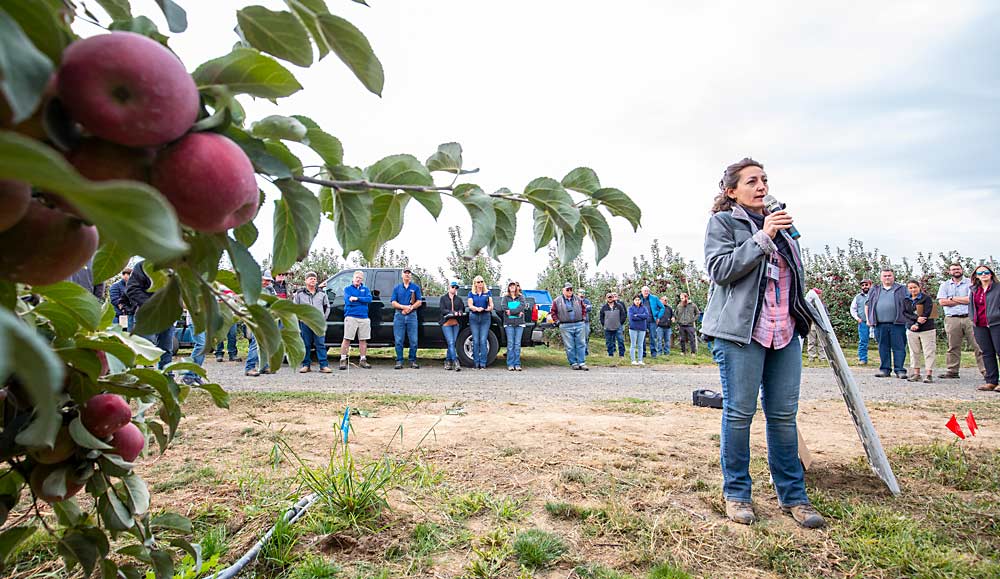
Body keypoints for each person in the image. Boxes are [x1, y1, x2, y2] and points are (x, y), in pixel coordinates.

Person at [702, 157, 825, 529]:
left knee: (784, 416)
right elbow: (720, 270)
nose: (761, 187)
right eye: (752, 181)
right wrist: (763, 236)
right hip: (742, 334)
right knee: (740, 414)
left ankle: (794, 497)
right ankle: (737, 493)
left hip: (784, 333)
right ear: (731, 190)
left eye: (765, 180)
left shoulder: (784, 227)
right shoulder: (723, 223)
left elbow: (790, 278)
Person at [937, 263, 987, 380]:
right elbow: (942, 302)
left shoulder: (971, 283)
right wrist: (962, 300)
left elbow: (971, 299)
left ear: (962, 270)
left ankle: (986, 372)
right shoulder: (944, 285)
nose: (956, 271)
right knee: (953, 346)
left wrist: (952, 298)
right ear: (949, 272)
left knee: (978, 345)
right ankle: (952, 371)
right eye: (953, 269)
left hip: (970, 317)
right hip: (952, 319)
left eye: (958, 269)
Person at [125, 260, 173, 370]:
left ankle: (166, 377)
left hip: (168, 315)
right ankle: (142, 377)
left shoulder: (174, 266)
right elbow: (132, 289)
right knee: (144, 348)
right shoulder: (143, 266)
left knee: (166, 349)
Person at [866, 268, 908, 379]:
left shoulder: (902, 289)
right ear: (881, 278)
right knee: (883, 347)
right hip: (880, 324)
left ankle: (900, 370)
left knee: (899, 347)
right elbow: (868, 305)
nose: (887, 278)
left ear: (893, 276)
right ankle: (885, 369)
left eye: (889, 275)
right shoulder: (875, 289)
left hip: (898, 323)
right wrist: (869, 319)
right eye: (885, 276)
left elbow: (909, 304)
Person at [294, 271, 331, 373]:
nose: (313, 280)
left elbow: (327, 307)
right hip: (305, 323)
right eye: (310, 278)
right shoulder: (299, 294)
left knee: (321, 344)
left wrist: (323, 318)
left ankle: (323, 366)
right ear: (305, 281)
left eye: (314, 279)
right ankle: (306, 365)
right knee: (306, 344)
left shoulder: (322, 294)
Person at [970, 265, 1000, 392]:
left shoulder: (998, 288)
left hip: (996, 323)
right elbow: (972, 306)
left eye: (986, 272)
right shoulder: (974, 289)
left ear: (991, 274)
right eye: (980, 273)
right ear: (976, 276)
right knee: (987, 353)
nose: (984, 274)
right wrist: (972, 318)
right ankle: (991, 381)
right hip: (980, 324)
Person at [903, 280, 936, 384]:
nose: (913, 290)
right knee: (914, 351)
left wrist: (918, 323)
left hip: (927, 329)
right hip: (911, 329)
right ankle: (916, 373)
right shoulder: (905, 300)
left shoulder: (926, 299)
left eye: (915, 287)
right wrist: (914, 321)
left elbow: (927, 312)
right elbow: (904, 313)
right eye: (910, 288)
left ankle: (929, 374)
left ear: (919, 287)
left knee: (928, 351)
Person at [550, 283, 589, 370]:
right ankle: (573, 363)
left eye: (571, 289)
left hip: (579, 324)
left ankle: (582, 362)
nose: (569, 291)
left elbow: (584, 309)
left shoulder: (578, 299)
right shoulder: (557, 301)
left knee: (581, 344)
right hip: (565, 325)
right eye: (567, 289)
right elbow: (553, 312)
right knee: (569, 346)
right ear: (563, 290)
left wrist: (583, 318)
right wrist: (557, 322)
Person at [340, 270, 373, 370]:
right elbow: (348, 301)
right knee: (347, 338)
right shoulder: (347, 289)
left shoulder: (366, 289)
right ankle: (343, 360)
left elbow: (369, 299)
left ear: (362, 279)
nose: (358, 279)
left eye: (360, 278)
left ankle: (363, 360)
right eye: (357, 277)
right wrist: (360, 300)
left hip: (364, 317)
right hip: (351, 316)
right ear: (353, 278)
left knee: (363, 339)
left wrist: (357, 299)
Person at [245, 273, 277, 377]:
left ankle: (264, 366)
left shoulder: (270, 290)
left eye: (268, 280)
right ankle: (249, 367)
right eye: (265, 280)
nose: (267, 282)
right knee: (255, 343)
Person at [391, 268, 424, 369]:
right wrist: (403, 307)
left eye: (409, 273)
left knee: (413, 340)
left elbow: (419, 301)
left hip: (412, 316)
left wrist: (411, 308)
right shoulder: (397, 288)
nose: (407, 275)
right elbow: (393, 302)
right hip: (399, 315)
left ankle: (412, 360)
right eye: (405, 273)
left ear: (411, 276)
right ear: (402, 275)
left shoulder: (415, 288)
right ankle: (399, 361)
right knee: (398, 340)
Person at [466, 275, 493, 369]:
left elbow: (491, 305)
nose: (480, 284)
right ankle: (476, 363)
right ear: (475, 284)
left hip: (485, 317)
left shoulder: (488, 293)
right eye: (478, 282)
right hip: (474, 317)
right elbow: (470, 305)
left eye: (481, 281)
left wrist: (488, 308)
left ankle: (483, 363)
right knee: (476, 340)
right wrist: (476, 309)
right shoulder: (471, 293)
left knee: (483, 340)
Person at [439, 281, 465, 371]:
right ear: (449, 287)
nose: (454, 289)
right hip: (446, 323)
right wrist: (452, 312)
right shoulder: (443, 298)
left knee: (453, 342)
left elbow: (462, 309)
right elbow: (442, 310)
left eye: (456, 287)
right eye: (453, 287)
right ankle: (455, 361)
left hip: (455, 323)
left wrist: (460, 312)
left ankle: (448, 360)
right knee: (450, 342)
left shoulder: (459, 299)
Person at [501, 281, 527, 371]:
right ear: (508, 287)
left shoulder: (521, 297)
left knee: (517, 344)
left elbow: (522, 307)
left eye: (513, 286)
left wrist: (511, 312)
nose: (512, 287)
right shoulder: (505, 298)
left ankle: (517, 364)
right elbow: (504, 307)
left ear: (516, 287)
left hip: (519, 323)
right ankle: (510, 364)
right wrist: (516, 312)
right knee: (510, 344)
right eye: (510, 286)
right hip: (509, 324)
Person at [850, 279, 873, 365]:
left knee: (881, 341)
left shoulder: (876, 295)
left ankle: (884, 361)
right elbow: (853, 309)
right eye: (863, 285)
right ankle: (863, 359)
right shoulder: (858, 297)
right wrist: (857, 318)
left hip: (876, 322)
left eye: (866, 285)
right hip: (863, 322)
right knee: (863, 341)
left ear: (870, 285)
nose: (864, 287)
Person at [638, 286, 665, 358]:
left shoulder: (654, 298)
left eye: (647, 291)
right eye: (645, 291)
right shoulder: (638, 298)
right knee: (642, 337)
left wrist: (658, 316)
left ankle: (653, 353)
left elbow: (662, 307)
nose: (646, 292)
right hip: (642, 321)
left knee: (653, 337)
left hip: (652, 320)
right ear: (641, 291)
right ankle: (643, 353)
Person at [600, 292, 627, 358]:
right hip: (608, 328)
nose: (610, 299)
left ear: (613, 298)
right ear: (606, 298)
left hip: (618, 327)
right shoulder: (604, 307)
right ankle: (610, 354)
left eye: (611, 297)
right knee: (609, 342)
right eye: (608, 297)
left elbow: (623, 315)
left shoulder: (619, 306)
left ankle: (621, 355)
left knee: (620, 340)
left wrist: (620, 323)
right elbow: (601, 317)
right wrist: (605, 324)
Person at [805, 288, 828, 362]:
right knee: (811, 341)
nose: (820, 295)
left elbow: (826, 314)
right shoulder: (808, 303)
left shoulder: (822, 304)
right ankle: (811, 357)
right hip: (811, 323)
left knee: (821, 342)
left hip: (821, 324)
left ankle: (822, 358)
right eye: (818, 294)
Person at [627, 294, 650, 366]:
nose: (637, 301)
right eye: (636, 300)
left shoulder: (644, 308)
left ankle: (640, 360)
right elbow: (632, 317)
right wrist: (641, 316)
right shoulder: (630, 308)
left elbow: (646, 316)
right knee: (633, 344)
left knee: (640, 345)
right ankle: (633, 360)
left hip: (642, 328)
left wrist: (637, 315)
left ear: (640, 301)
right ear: (633, 301)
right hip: (633, 328)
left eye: (638, 300)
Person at [579, 289, 593, 356]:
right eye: (581, 292)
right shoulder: (575, 300)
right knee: (578, 338)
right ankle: (579, 352)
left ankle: (585, 351)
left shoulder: (587, 301)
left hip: (586, 322)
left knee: (586, 337)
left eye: (583, 293)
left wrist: (582, 307)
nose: (582, 294)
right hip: (578, 322)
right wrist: (584, 307)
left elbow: (589, 309)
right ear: (578, 293)